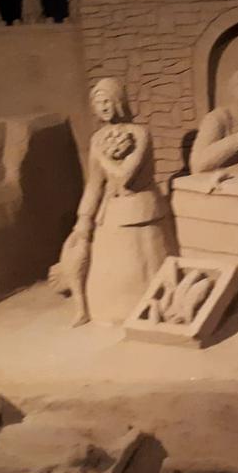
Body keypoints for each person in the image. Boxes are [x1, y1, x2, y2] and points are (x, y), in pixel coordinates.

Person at [49, 77, 176, 325]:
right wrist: (83, 219)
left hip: (141, 210)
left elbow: (124, 177)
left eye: (107, 100)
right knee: (102, 271)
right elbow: (94, 183)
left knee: (145, 270)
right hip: (111, 212)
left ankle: (150, 310)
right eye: (98, 103)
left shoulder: (140, 134)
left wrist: (101, 156)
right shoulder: (98, 138)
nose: (104, 107)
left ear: (119, 101)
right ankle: (88, 309)